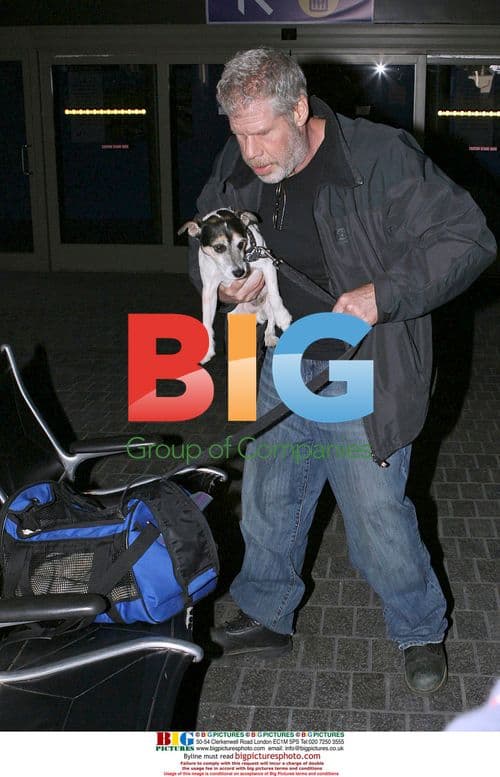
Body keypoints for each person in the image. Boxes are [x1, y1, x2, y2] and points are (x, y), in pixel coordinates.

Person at [188, 48, 496, 694]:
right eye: (239, 136)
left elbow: (469, 238)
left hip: (361, 366)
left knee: (376, 516)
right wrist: (221, 285)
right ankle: (268, 611)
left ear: (298, 109)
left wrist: (381, 295)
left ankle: (418, 627)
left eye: (264, 133)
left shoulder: (380, 160)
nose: (251, 153)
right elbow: (208, 230)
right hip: (282, 356)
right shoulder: (241, 160)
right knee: (269, 496)